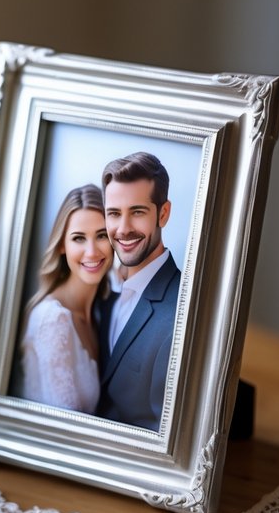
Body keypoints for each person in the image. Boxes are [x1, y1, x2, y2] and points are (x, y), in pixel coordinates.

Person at [96, 151, 181, 431]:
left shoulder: (178, 317)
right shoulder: (100, 286)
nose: (123, 229)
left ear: (163, 213)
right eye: (114, 214)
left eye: (137, 212)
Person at [18, 184, 113, 413]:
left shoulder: (101, 311)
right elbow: (63, 426)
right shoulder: (52, 319)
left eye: (102, 235)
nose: (92, 252)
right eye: (79, 238)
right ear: (62, 245)